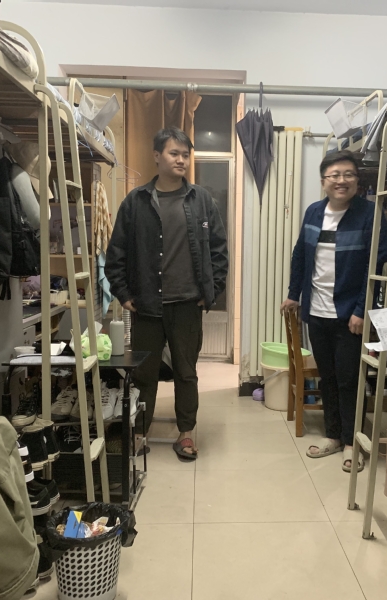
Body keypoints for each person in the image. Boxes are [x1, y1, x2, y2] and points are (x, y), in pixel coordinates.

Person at [105, 127, 228, 461]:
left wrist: (212, 291)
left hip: (188, 303)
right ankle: (139, 433)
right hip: (146, 304)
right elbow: (116, 253)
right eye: (175, 153)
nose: (181, 160)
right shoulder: (136, 201)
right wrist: (122, 292)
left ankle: (185, 434)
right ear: (157, 156)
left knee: (186, 372)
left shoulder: (201, 200)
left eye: (186, 155)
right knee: (144, 374)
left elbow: (219, 250)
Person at [280, 150, 387, 472]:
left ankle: (352, 442)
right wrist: (294, 294)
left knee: (349, 380)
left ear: (357, 180)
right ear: (323, 181)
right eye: (335, 175)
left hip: (350, 315)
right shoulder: (314, 212)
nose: (341, 181)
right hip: (317, 311)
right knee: (327, 377)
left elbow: (376, 267)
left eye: (348, 174)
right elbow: (300, 255)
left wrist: (361, 310)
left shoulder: (369, 214)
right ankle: (333, 435)